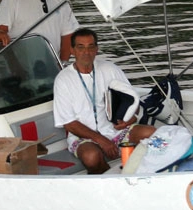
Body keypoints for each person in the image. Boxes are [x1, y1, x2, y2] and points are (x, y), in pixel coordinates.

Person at [53, 28, 154, 174]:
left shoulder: (110, 69)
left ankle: (142, 176)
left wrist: (132, 117)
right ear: (72, 50)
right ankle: (113, 185)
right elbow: (69, 124)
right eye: (80, 47)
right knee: (91, 157)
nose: (86, 52)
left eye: (91, 47)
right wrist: (101, 140)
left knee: (151, 133)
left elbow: (133, 99)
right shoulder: (63, 80)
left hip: (115, 131)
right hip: (83, 137)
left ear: (97, 49)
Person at [0, 0, 78, 62]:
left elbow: (68, 35)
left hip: (53, 66)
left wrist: (62, 63)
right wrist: (0, 33)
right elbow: (0, 30)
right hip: (21, 67)